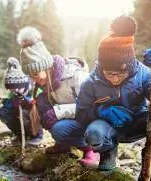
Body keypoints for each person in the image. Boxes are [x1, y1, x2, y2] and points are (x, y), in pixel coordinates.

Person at [75, 15, 151, 181]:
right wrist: (100, 112)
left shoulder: (144, 75)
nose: (115, 79)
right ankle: (108, 153)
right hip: (108, 128)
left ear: (129, 66)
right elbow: (80, 115)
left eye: (120, 73)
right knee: (94, 132)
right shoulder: (91, 82)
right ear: (101, 67)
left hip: (137, 122)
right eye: (109, 73)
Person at [17, 26, 100, 168]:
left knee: (58, 129)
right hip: (72, 119)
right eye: (31, 76)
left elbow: (92, 107)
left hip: (90, 122)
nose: (34, 79)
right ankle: (63, 145)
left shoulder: (76, 75)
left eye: (36, 74)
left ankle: (91, 149)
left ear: (46, 66)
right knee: (41, 101)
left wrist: (57, 112)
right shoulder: (45, 82)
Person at [0, 57, 43, 146]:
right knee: (2, 112)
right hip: (18, 110)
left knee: (28, 112)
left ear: (24, 85)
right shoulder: (13, 92)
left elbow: (38, 103)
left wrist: (25, 100)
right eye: (13, 89)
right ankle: (20, 134)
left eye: (18, 88)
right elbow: (11, 104)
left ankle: (37, 136)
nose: (16, 90)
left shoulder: (33, 87)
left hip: (33, 111)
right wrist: (6, 102)